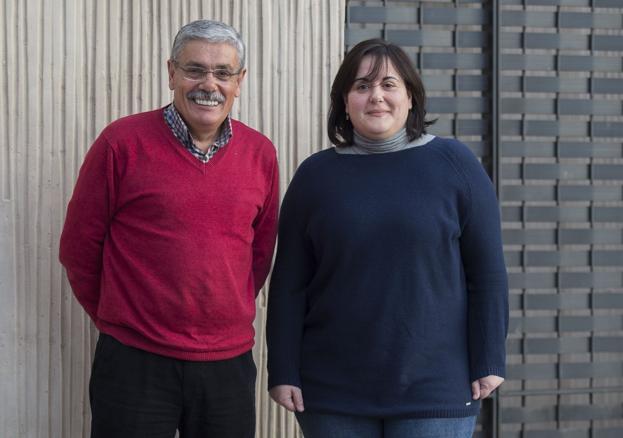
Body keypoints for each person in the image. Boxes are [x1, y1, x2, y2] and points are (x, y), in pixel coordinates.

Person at [266, 38, 508, 438]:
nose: (375, 96)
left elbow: (487, 275)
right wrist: (284, 369)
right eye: (361, 86)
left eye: (388, 85)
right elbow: (290, 284)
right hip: (331, 392)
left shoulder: (456, 166)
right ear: (344, 102)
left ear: (411, 97)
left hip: (435, 389)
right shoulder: (315, 176)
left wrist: (489, 358)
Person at [59, 20, 278, 438]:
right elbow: (78, 248)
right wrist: (122, 319)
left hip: (226, 365)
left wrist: (219, 309)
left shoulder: (260, 153)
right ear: (172, 73)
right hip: (134, 361)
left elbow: (259, 253)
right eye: (195, 69)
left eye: (223, 73)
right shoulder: (120, 144)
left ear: (240, 81)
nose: (208, 84)